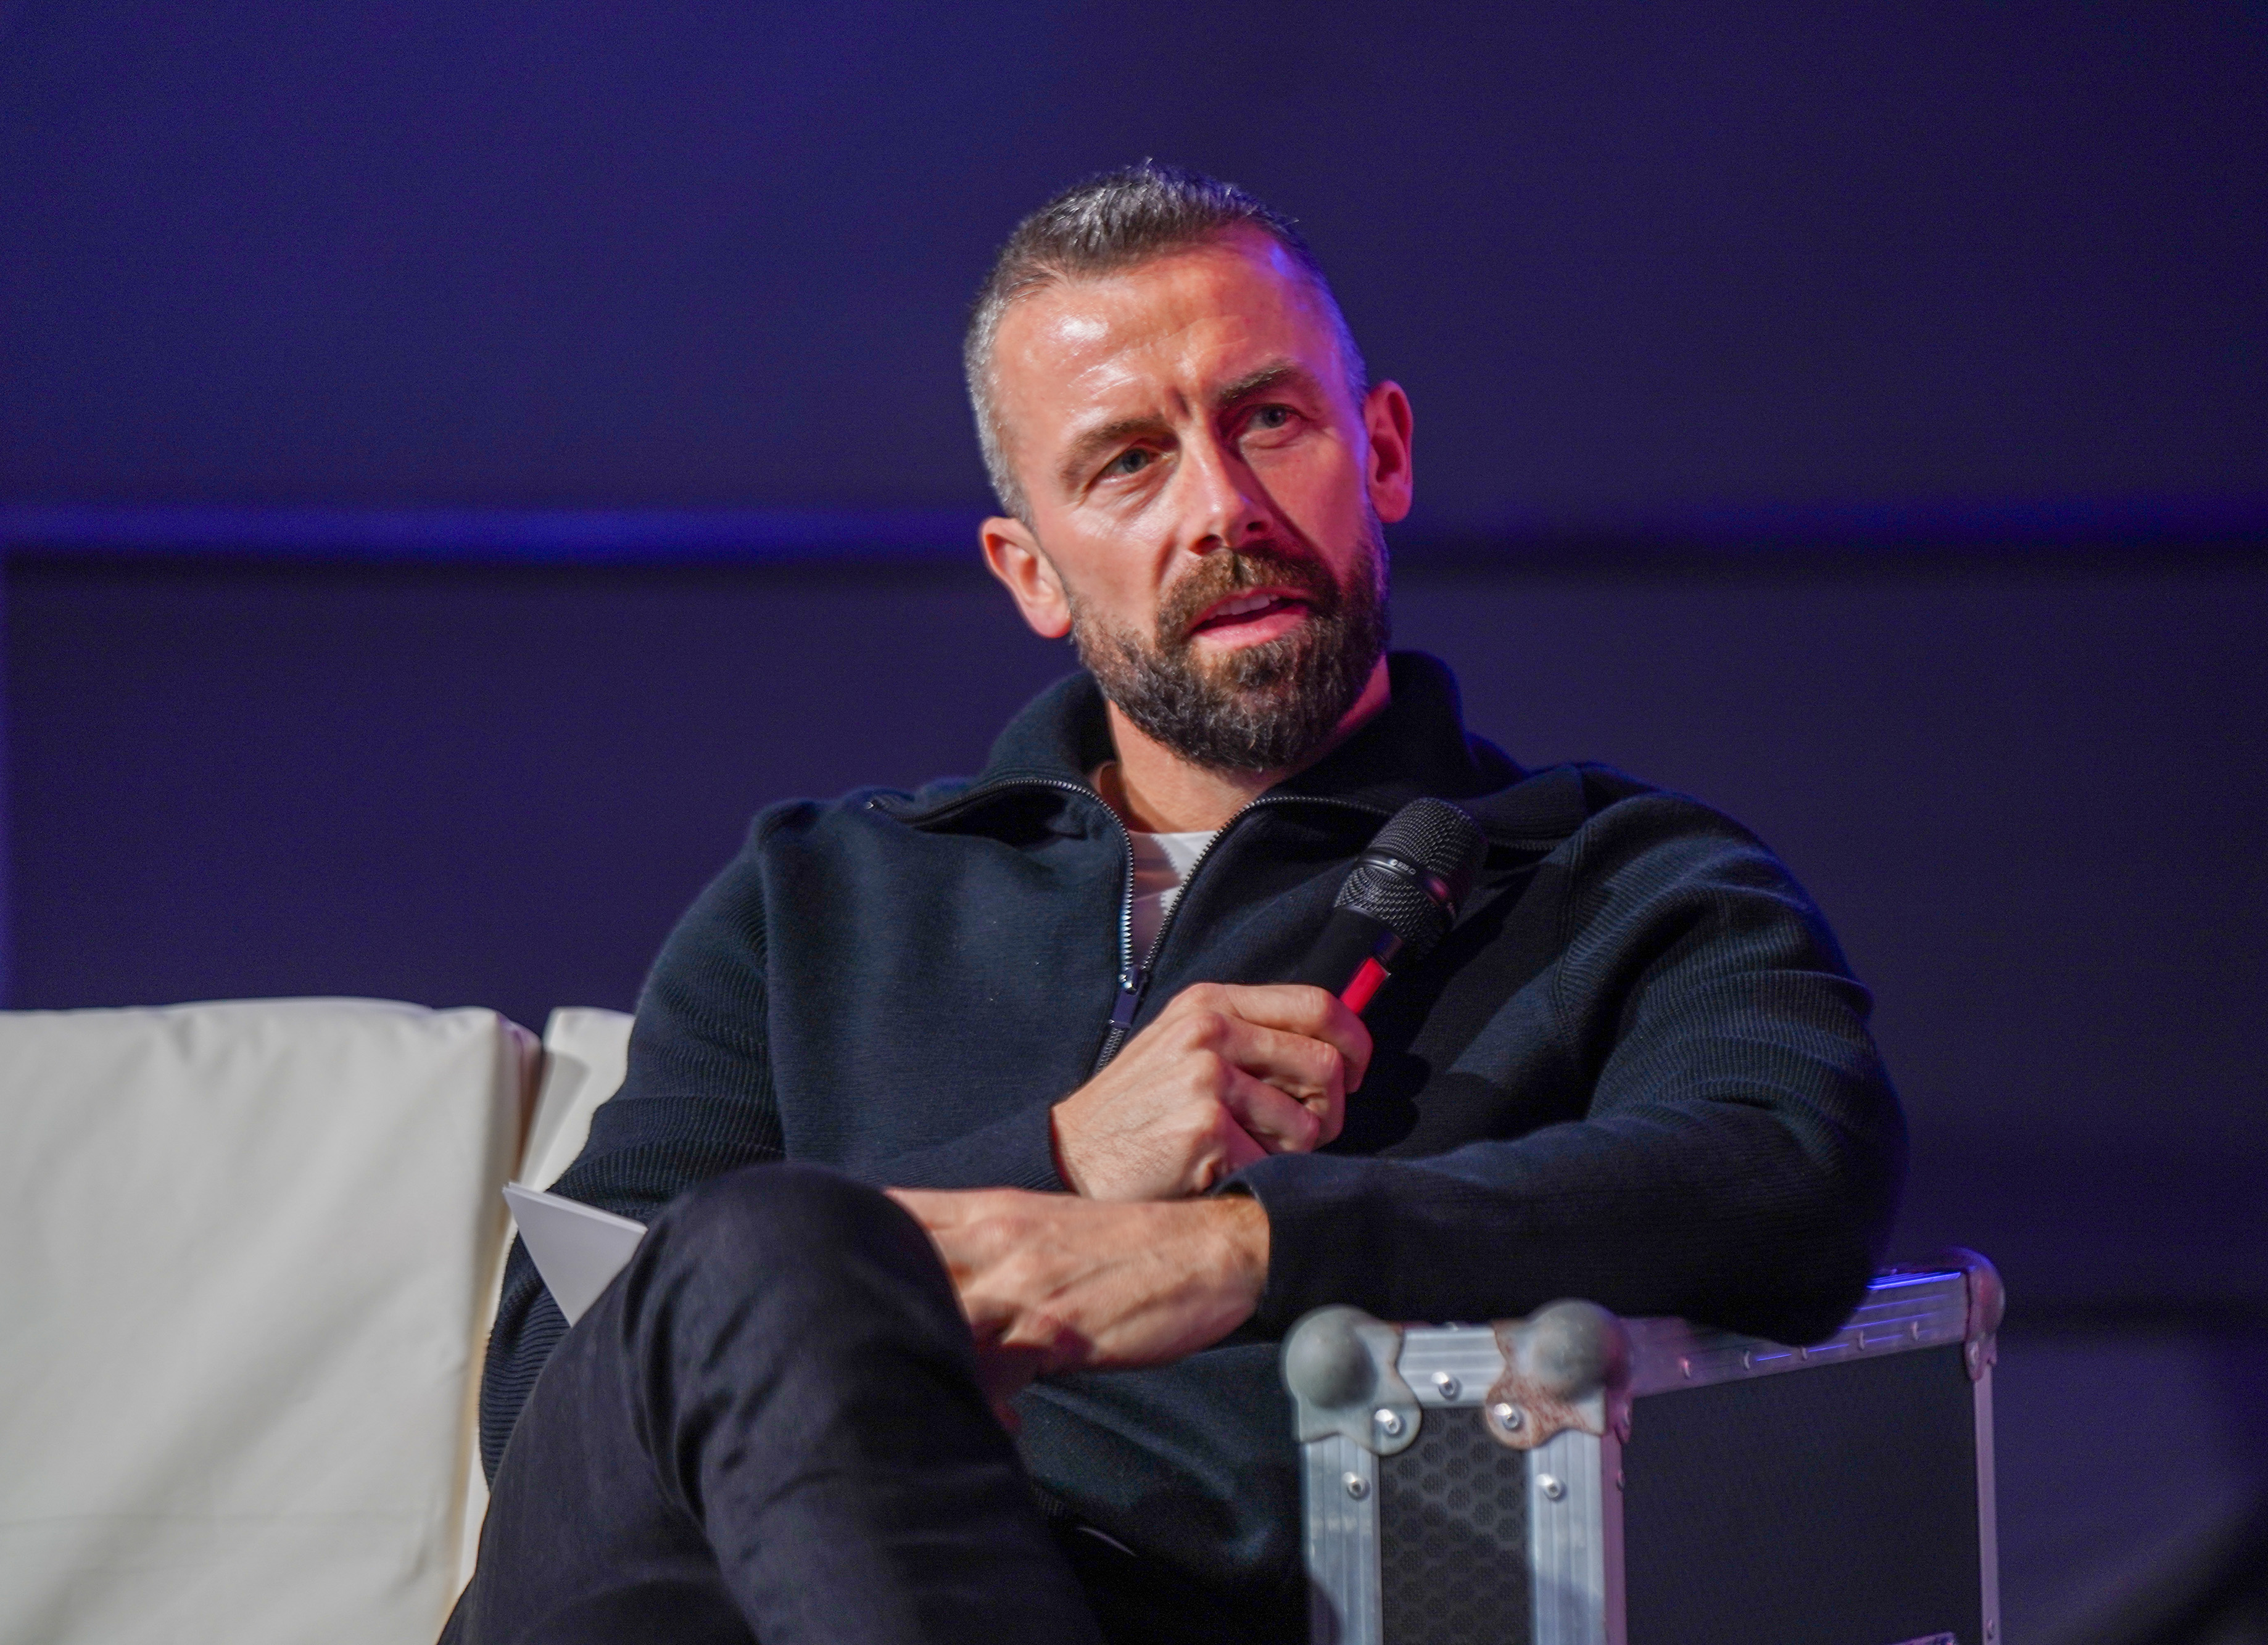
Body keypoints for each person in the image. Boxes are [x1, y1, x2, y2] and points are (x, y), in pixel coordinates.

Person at [446, 162, 1905, 1645]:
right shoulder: (814, 893)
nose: (1221, 507)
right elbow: (556, 1388)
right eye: (1128, 462)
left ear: (1381, 451)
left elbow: (1787, 1169)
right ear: (1031, 571)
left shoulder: (1615, 877)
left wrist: (1234, 1252)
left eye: (1266, 419)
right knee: (754, 1252)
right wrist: (1063, 1161)